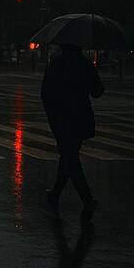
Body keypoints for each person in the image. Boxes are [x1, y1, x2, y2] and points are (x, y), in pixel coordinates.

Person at [41, 43, 104, 222]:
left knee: (69, 158)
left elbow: (45, 93)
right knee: (70, 157)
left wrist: (52, 116)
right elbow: (97, 92)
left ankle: (85, 199)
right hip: (80, 119)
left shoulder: (56, 63)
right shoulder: (85, 64)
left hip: (61, 119)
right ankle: (58, 194)